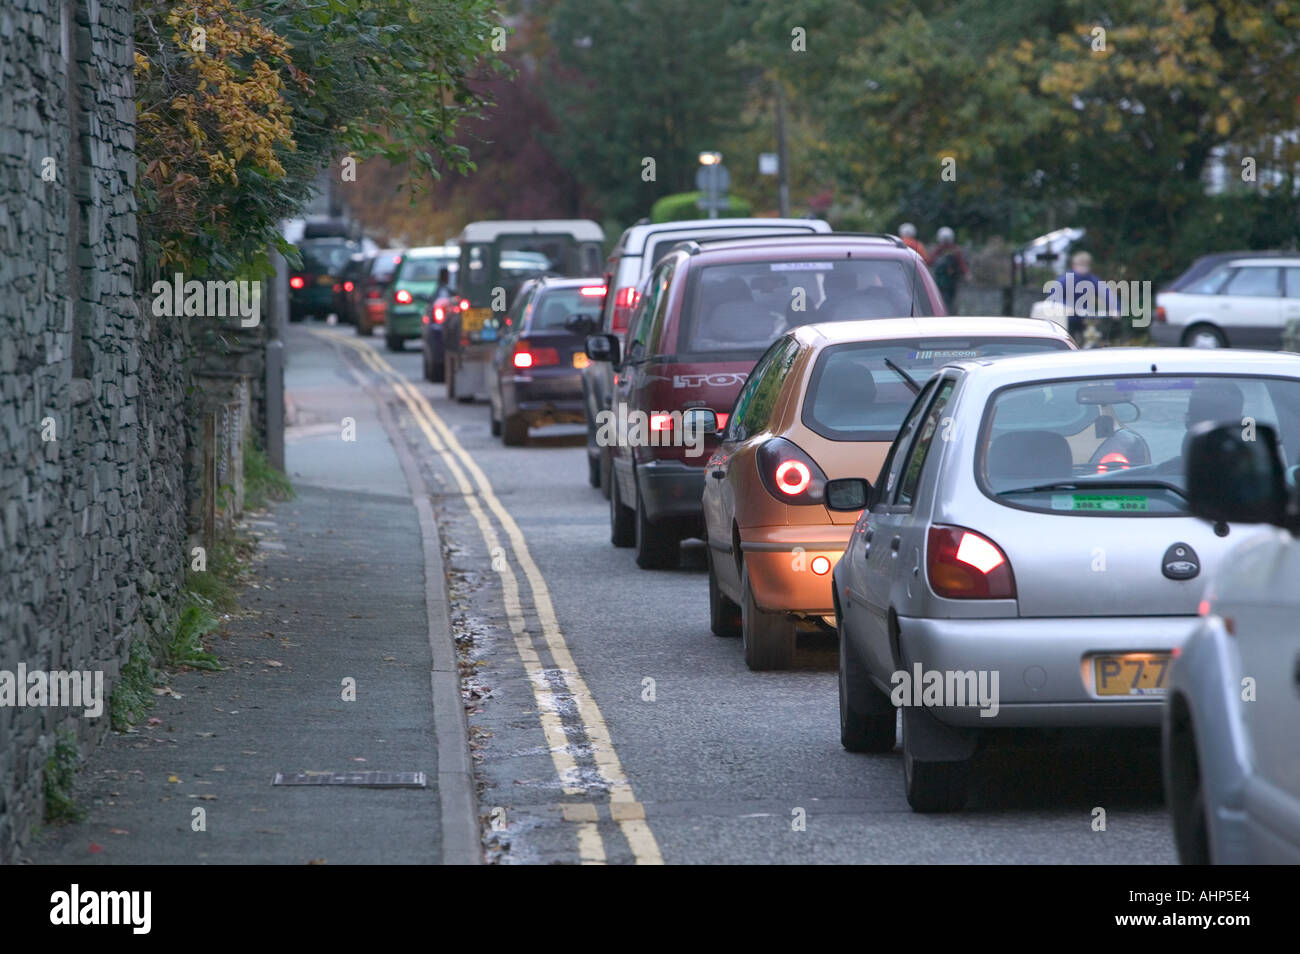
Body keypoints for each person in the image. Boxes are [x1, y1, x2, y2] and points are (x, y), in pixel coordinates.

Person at [1052, 251, 1114, 344]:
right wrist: (1065, 307)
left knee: (1092, 337)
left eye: (1086, 265)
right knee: (1068, 340)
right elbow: (1054, 297)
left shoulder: (1092, 279)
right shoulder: (1065, 279)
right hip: (1066, 319)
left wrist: (1115, 308)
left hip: (1084, 317)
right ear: (1073, 266)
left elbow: (1106, 293)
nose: (1083, 268)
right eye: (1080, 265)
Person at [928, 227, 967, 313]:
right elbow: (962, 265)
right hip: (952, 282)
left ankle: (944, 313)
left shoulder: (938, 250)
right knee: (950, 301)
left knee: (942, 300)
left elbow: (929, 261)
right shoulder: (956, 250)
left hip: (941, 282)